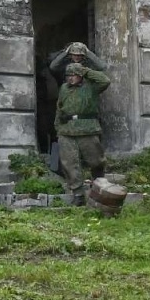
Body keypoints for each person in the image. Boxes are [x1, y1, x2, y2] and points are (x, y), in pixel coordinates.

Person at [54, 61, 111, 205]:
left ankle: (98, 186)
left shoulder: (91, 86)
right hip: (66, 130)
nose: (70, 78)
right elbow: (59, 107)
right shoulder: (64, 88)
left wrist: (85, 71)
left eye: (74, 75)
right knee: (69, 163)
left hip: (87, 129)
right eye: (68, 75)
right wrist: (58, 127)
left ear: (80, 75)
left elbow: (105, 80)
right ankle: (78, 194)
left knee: (96, 160)